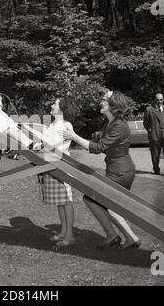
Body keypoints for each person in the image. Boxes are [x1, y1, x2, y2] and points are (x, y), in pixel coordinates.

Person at [63, 90, 141, 250]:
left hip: (121, 172)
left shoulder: (118, 125)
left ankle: (130, 237)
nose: (101, 101)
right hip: (116, 169)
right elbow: (104, 141)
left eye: (104, 99)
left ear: (113, 104)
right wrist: (98, 135)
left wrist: (75, 137)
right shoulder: (110, 123)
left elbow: (98, 148)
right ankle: (113, 235)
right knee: (93, 199)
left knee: (105, 202)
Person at [38, 98, 75, 247]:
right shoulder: (51, 124)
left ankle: (70, 235)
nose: (52, 105)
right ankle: (63, 231)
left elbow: (59, 146)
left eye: (55, 104)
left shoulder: (66, 125)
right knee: (60, 202)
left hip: (61, 166)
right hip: (51, 164)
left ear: (62, 109)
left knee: (66, 201)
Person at [143, 93, 164, 175]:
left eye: (161, 99)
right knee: (155, 155)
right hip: (155, 134)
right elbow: (145, 122)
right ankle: (156, 169)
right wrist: (150, 130)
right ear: (154, 100)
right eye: (158, 99)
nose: (159, 101)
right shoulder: (149, 109)